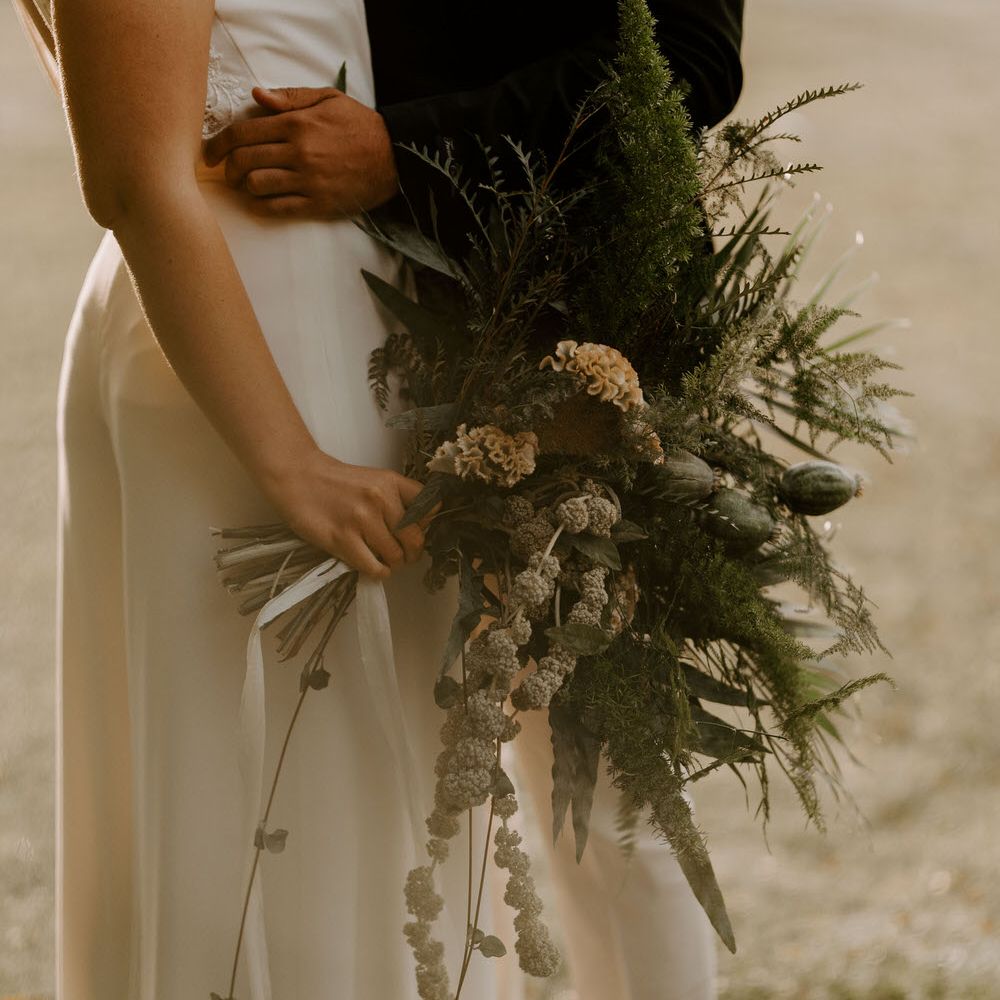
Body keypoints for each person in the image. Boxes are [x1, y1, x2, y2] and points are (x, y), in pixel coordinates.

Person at [12, 0, 743, 997]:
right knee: (307, 781)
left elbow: (689, 56)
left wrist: (401, 150)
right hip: (265, 328)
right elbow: (132, 165)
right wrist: (293, 460)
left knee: (560, 786)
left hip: (442, 310)